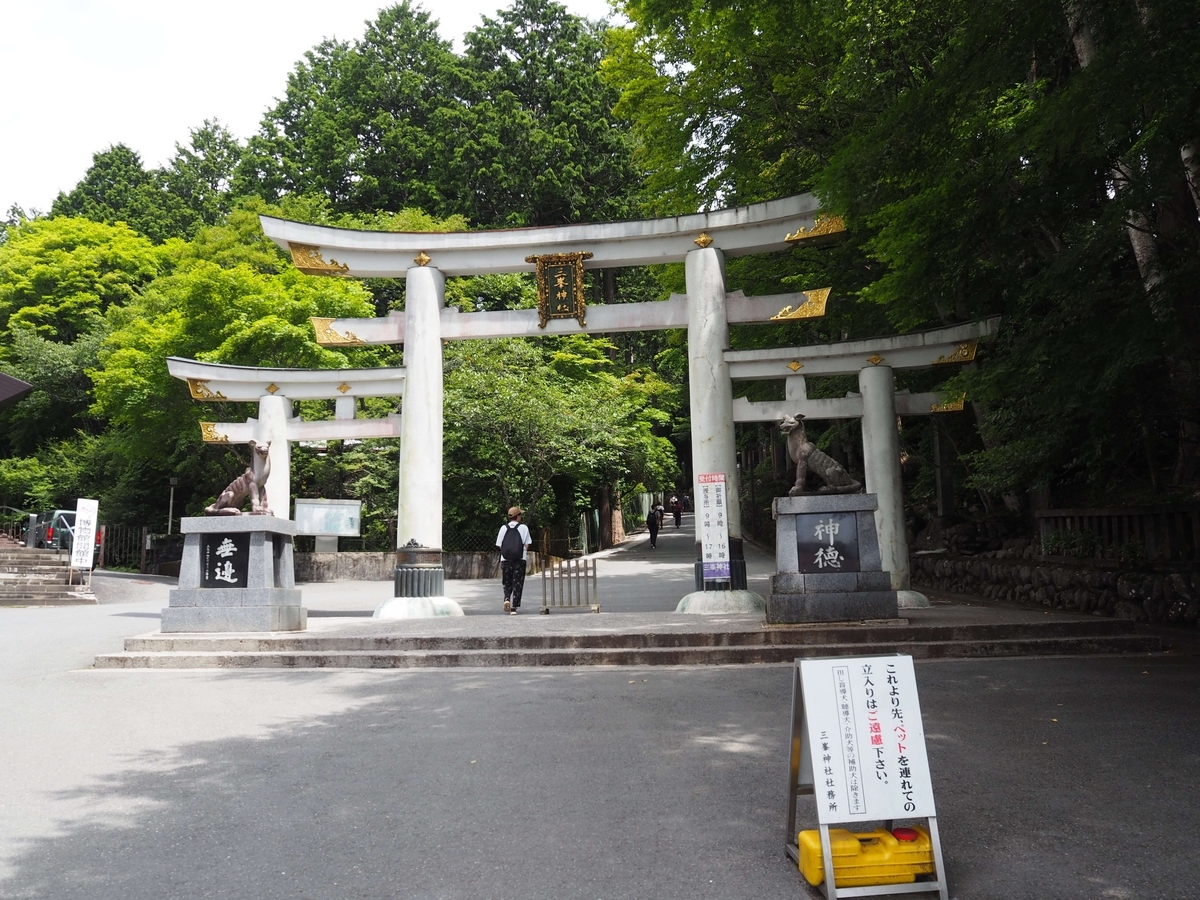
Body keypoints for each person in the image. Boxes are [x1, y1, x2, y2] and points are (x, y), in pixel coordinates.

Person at [495, 506, 532, 614]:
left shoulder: (503, 528)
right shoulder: (524, 528)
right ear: (518, 516)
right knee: (518, 582)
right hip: (520, 559)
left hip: (505, 559)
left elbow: (500, 545)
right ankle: (514, 607)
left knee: (507, 581)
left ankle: (507, 598)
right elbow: (527, 545)